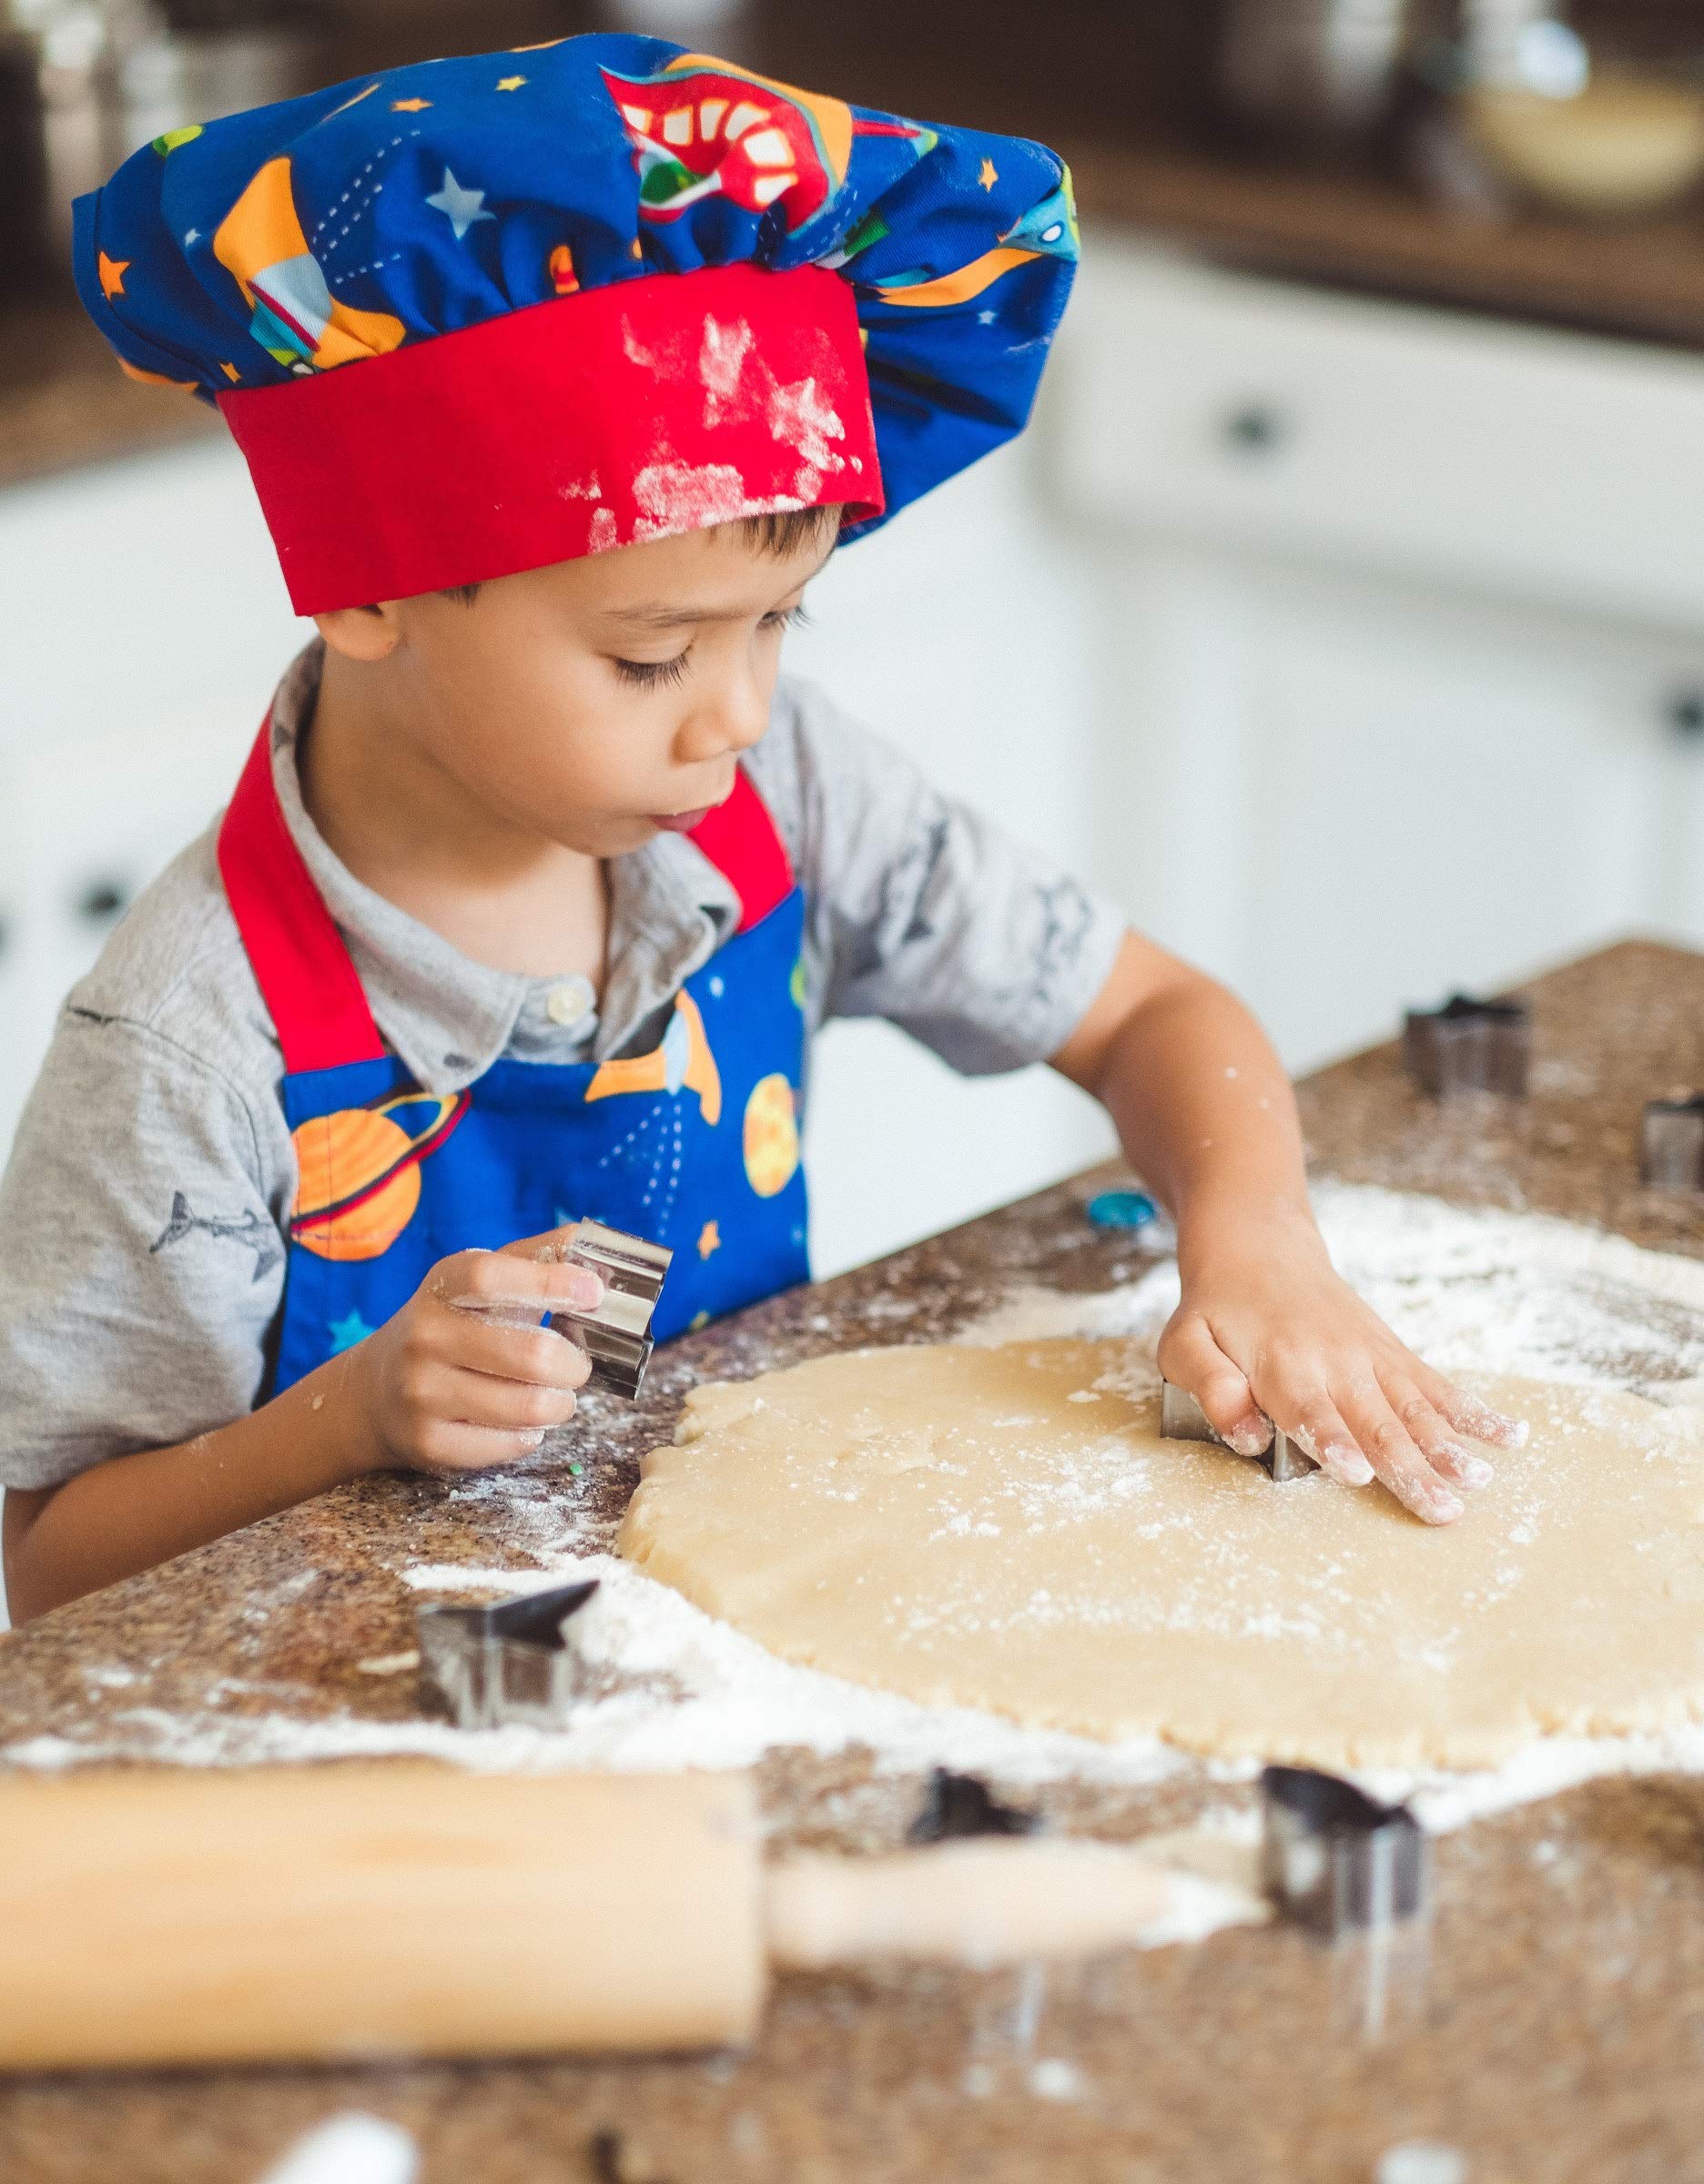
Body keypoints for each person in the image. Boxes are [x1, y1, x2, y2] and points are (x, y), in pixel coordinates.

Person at [0, 34, 1523, 1623]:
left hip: (740, 1646)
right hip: (375, 1768)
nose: (732, 714)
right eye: (651, 654)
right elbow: (52, 1561)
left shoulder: (782, 794)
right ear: (371, 589)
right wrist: (352, 1418)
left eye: (779, 623)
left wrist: (1258, 1240)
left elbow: (1152, 1010)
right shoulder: (188, 1049)